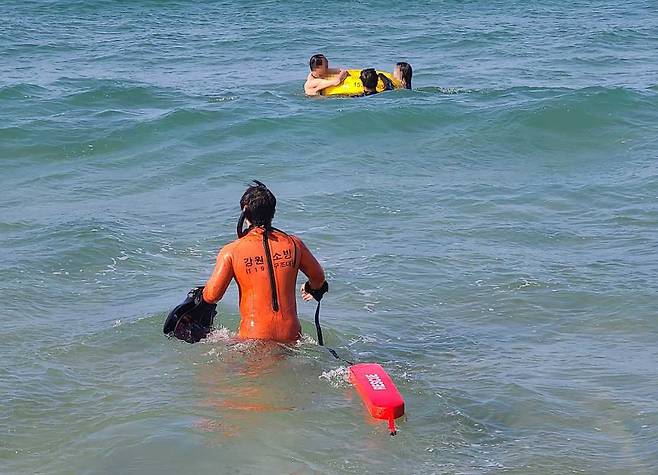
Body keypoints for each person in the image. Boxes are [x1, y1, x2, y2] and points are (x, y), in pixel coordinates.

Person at [200, 181, 328, 342]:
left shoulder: (231, 251)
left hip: (254, 338)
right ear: (273, 212)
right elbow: (318, 278)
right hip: (292, 336)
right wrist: (310, 287)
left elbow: (212, 295)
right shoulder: (295, 244)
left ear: (245, 211)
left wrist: (199, 295)